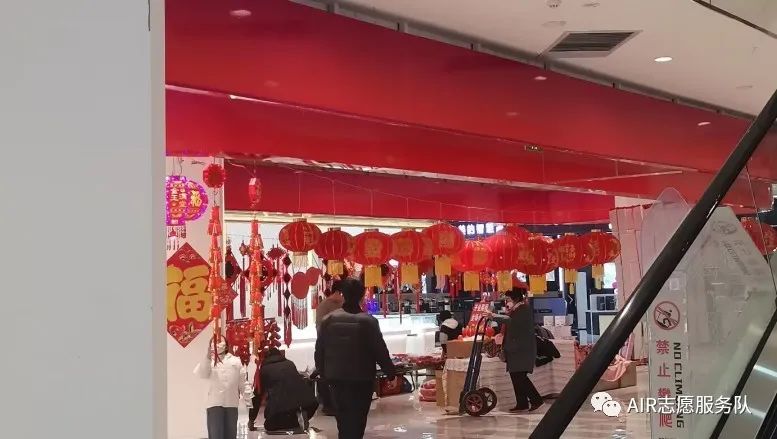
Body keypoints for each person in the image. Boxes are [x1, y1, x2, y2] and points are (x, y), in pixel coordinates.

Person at [315, 277, 397, 439]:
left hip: (336, 377)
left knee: (342, 418)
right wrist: (391, 373)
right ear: (362, 296)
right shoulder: (369, 321)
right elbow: (379, 350)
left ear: (343, 294)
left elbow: (320, 350)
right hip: (362, 378)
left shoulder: (328, 320)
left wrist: (323, 373)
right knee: (358, 418)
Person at [489, 287, 544, 412]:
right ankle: (522, 403)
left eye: (508, 299)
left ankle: (536, 400)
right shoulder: (516, 310)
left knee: (520, 376)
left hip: (521, 349)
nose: (506, 301)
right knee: (515, 376)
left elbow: (511, 322)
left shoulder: (523, 309)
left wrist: (494, 316)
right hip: (515, 349)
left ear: (516, 298)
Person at [194, 337, 253, 439]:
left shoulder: (235, 361)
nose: (217, 344)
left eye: (220, 341)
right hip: (214, 403)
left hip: (231, 403)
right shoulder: (209, 361)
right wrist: (208, 357)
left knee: (231, 433)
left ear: (226, 345)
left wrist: (249, 399)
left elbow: (242, 381)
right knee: (216, 434)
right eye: (214, 342)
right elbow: (202, 374)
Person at [259, 348, 319, 433]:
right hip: (306, 401)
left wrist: (251, 419)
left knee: (269, 426)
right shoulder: (290, 363)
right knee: (290, 409)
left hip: (280, 402)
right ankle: (300, 416)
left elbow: (259, 392)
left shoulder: (265, 369)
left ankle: (295, 420)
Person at [314, 281, 344, 416]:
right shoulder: (325, 306)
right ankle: (331, 405)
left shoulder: (342, 304)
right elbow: (320, 329)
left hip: (338, 347)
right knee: (329, 377)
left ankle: (336, 404)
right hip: (330, 347)